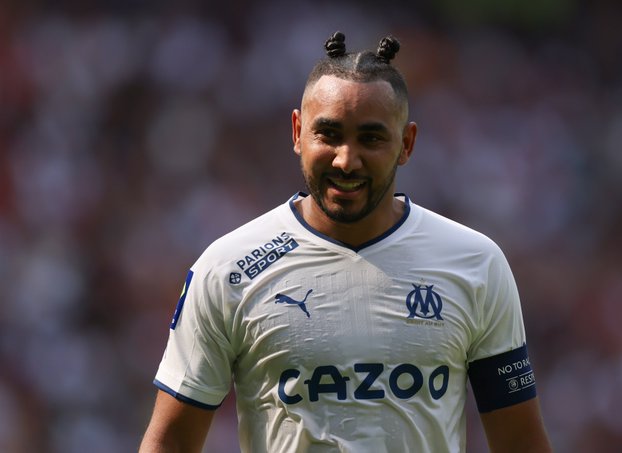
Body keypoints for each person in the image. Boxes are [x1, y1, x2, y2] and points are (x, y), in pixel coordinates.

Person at [139, 31, 552, 453]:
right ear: (297, 131)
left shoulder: (475, 262)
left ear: (406, 143)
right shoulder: (229, 268)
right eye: (329, 134)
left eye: (371, 138)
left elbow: (520, 441)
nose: (346, 160)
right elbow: (171, 441)